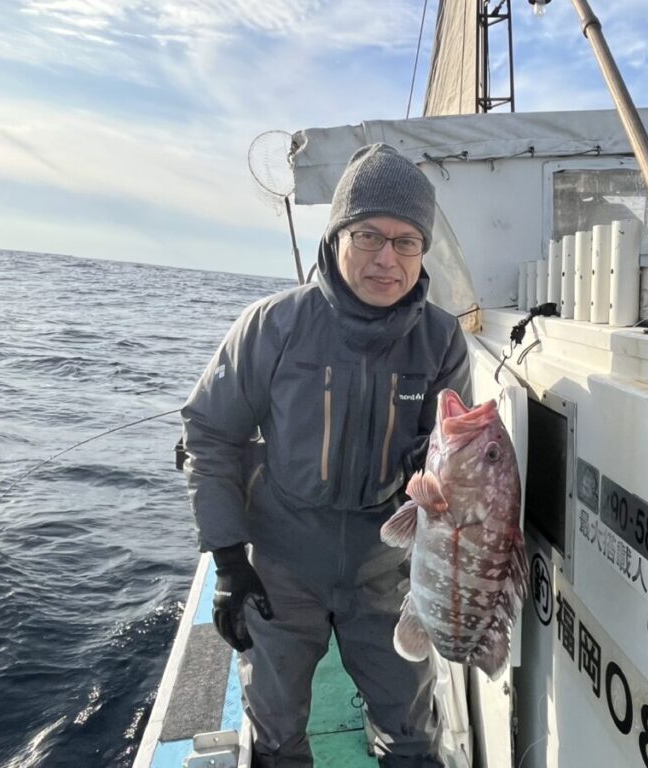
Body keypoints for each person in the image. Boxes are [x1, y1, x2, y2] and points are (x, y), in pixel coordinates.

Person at [181, 142, 471, 768]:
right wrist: (230, 560)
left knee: (413, 735)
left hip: (384, 566)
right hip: (282, 566)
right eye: (369, 235)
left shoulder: (442, 339)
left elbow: (444, 452)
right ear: (338, 234)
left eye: (406, 241)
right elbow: (210, 434)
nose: (387, 259)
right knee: (278, 737)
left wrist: (434, 484)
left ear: (423, 253)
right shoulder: (273, 324)